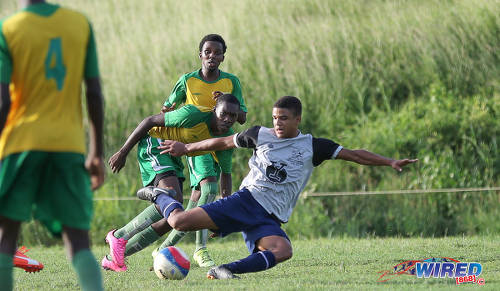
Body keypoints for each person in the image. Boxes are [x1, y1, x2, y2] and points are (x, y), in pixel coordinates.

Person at [137, 96, 418, 279]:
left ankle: (224, 270)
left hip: (269, 217)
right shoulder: (260, 134)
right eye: (274, 117)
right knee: (179, 221)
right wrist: (186, 148)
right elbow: (220, 142)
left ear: (297, 119)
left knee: (283, 250)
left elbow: (356, 154)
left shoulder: (313, 146)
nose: (277, 123)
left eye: (283, 118)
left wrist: (389, 161)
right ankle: (161, 195)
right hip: (246, 201)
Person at [0, 1, 105, 290]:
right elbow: (94, 93)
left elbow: (2, 102)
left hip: (19, 145)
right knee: (78, 240)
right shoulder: (79, 23)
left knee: (5, 237)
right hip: (67, 146)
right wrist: (96, 151)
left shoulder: (7, 29)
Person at [102, 94, 241, 272]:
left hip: (174, 154)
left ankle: (113, 258)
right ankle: (119, 236)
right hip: (155, 142)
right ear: (214, 110)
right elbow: (150, 121)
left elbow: (226, 176)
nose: (228, 120)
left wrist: (223, 215)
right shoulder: (193, 114)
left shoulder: (226, 138)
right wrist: (123, 152)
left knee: (175, 217)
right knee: (171, 199)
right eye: (224, 114)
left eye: (233, 116)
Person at [160, 33, 247, 267]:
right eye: (207, 52)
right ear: (200, 55)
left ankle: (164, 248)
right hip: (196, 142)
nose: (212, 56)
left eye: (217, 52)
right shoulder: (187, 80)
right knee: (209, 187)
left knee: (196, 201)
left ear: (223, 57)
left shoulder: (231, 82)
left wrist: (224, 103)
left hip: (222, 142)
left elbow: (242, 118)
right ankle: (200, 250)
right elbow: (167, 108)